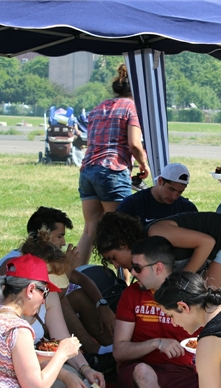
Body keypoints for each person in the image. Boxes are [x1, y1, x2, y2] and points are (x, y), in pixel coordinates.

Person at [0, 232, 104, 388]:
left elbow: (62, 338)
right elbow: (14, 355)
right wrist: (63, 373)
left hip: (23, 363)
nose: (46, 292)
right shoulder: (3, 294)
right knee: (59, 381)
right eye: (44, 285)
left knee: (78, 380)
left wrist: (85, 368)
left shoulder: (48, 296)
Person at [0, 206, 116, 354]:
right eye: (60, 236)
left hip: (29, 311)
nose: (64, 242)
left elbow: (83, 280)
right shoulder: (19, 262)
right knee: (59, 299)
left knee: (78, 296)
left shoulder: (41, 257)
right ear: (43, 235)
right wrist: (67, 270)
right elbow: (52, 296)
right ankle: (94, 351)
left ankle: (110, 346)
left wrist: (102, 304)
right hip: (11, 320)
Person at [114, 236, 199, 388]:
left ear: (158, 268)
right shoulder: (132, 294)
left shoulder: (188, 294)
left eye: (137, 268)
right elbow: (119, 351)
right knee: (143, 371)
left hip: (182, 374)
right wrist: (155, 343)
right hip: (139, 374)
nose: (132, 272)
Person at [76, 64, 150, 266]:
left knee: (90, 229)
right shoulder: (132, 108)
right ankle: (124, 279)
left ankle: (76, 275)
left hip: (88, 170)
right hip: (112, 170)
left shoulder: (99, 107)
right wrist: (144, 164)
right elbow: (134, 144)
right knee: (121, 231)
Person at [95, 211, 221, 294]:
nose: (116, 265)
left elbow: (206, 242)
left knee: (209, 302)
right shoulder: (147, 249)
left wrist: (183, 280)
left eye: (113, 258)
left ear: (123, 244)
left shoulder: (156, 232)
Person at [118, 162, 198, 226]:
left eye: (180, 192)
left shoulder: (187, 209)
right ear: (160, 181)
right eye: (171, 189)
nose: (174, 197)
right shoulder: (132, 204)